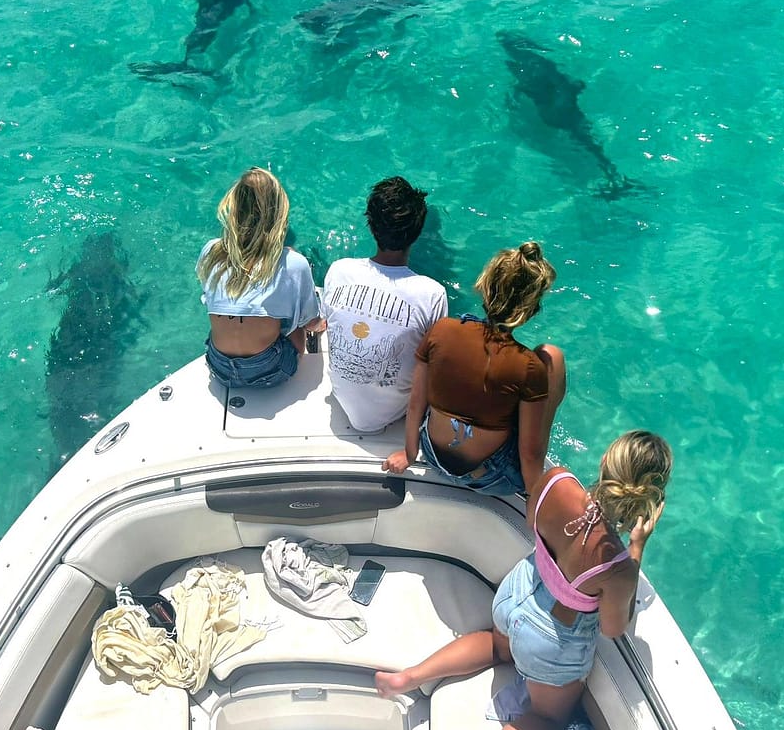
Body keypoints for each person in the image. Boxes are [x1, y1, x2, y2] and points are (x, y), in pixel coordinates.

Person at [375, 431, 673, 730]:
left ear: (605, 461)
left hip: (516, 593)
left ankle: (407, 678)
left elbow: (533, 521)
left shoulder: (558, 480)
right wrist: (636, 549)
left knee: (497, 645)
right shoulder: (617, 565)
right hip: (550, 640)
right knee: (546, 718)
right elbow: (613, 628)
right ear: (649, 499)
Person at [382, 242, 565, 497]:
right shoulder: (528, 366)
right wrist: (535, 499)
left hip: (432, 454)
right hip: (490, 477)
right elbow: (530, 454)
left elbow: (416, 404)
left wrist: (410, 453)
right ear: (531, 310)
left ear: (485, 286)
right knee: (552, 357)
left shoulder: (442, 330)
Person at [321, 177, 448, 432]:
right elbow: (433, 367)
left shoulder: (339, 270)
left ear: (371, 224)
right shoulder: (432, 294)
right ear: (417, 233)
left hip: (341, 397)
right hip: (396, 412)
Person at [197, 167, 325, 388]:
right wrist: (318, 322)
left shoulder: (211, 252)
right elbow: (311, 323)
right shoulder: (293, 263)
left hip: (218, 366)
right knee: (298, 325)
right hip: (271, 369)